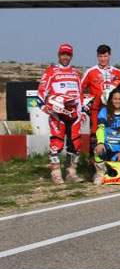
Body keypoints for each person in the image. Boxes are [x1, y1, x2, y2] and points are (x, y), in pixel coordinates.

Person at [38, 43, 87, 184]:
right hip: (57, 114)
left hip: (73, 114)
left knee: (75, 143)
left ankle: (71, 173)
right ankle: (56, 173)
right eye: (63, 54)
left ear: (71, 56)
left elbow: (80, 95)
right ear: (58, 55)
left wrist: (82, 111)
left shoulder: (76, 73)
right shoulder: (50, 72)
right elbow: (42, 91)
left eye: (68, 54)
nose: (65, 57)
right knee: (56, 142)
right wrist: (44, 106)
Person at [92, 88, 120, 184]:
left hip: (119, 148)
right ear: (111, 99)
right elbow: (100, 129)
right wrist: (100, 143)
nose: (117, 101)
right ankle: (99, 173)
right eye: (115, 99)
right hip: (107, 145)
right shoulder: (104, 111)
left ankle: (110, 170)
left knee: (116, 173)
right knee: (98, 150)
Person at [81, 43, 120, 133]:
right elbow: (79, 89)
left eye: (105, 56)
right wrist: (84, 104)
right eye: (100, 56)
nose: (103, 59)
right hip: (96, 108)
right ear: (97, 56)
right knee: (96, 132)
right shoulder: (90, 72)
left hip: (114, 108)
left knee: (113, 132)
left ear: (110, 55)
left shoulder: (118, 72)